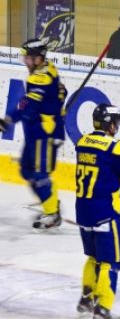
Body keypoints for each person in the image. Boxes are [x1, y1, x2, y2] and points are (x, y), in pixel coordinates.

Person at [74, 104, 120, 319]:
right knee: (111, 262)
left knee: (93, 257)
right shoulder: (116, 147)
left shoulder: (83, 141)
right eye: (116, 123)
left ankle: (87, 299)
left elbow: (106, 164)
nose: (117, 127)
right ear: (110, 124)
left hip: (83, 211)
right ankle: (103, 308)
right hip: (105, 211)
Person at [0, 39, 67, 229]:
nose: (25, 62)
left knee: (39, 175)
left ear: (38, 58)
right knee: (26, 170)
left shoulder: (41, 78)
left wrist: (8, 120)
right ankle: (51, 202)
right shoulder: (48, 69)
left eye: (28, 58)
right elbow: (62, 91)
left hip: (43, 134)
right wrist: (57, 101)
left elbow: (28, 107)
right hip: (35, 133)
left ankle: (52, 214)